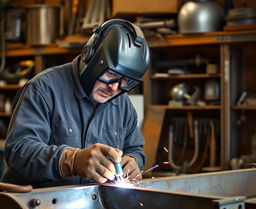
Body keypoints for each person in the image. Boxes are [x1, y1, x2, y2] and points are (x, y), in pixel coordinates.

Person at [1, 19, 150, 188]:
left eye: (126, 81)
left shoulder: (122, 103)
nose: (114, 87)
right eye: (110, 74)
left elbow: (134, 148)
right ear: (90, 55)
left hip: (88, 208)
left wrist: (132, 160)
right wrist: (71, 161)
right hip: (35, 206)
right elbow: (19, 152)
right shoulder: (43, 89)